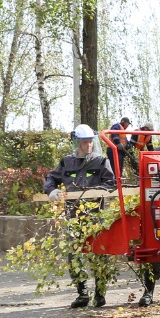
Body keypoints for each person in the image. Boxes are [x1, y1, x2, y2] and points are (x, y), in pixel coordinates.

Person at [43, 124, 116, 308]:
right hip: (73, 217)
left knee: (99, 255)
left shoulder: (100, 161)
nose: (89, 145)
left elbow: (111, 183)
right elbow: (51, 178)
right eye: (85, 142)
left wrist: (94, 191)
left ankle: (100, 293)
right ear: (77, 143)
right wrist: (51, 190)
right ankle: (82, 293)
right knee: (74, 255)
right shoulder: (66, 162)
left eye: (91, 141)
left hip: (95, 217)